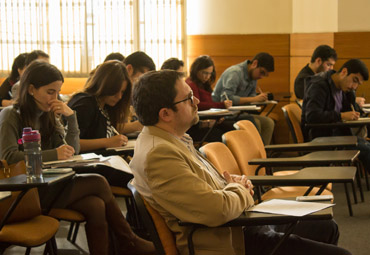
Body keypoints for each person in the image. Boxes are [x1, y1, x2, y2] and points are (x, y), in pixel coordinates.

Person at [129, 69, 350, 255]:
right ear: (166, 114)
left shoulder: (174, 139)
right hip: (231, 240)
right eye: (188, 98)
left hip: (238, 223)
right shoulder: (159, 155)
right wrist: (240, 188)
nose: (196, 101)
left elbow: (206, 193)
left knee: (326, 226)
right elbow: (217, 210)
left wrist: (229, 185)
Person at [0, 60, 154, 255]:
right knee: (98, 182)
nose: (55, 98)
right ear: (31, 90)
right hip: (24, 191)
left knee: (95, 205)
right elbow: (9, 157)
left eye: (57, 92)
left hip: (49, 182)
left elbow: (73, 149)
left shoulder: (47, 114)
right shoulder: (11, 115)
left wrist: (71, 118)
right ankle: (128, 240)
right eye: (50, 92)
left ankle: (121, 245)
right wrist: (52, 154)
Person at [68, 60, 133, 186]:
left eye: (123, 92)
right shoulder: (84, 103)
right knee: (141, 177)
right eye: (116, 91)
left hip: (101, 162)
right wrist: (108, 142)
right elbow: (72, 145)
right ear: (105, 86)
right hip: (84, 165)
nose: (119, 97)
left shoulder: (106, 105)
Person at [302, 58, 370, 173]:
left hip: (336, 134)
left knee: (367, 145)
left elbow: (348, 109)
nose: (354, 86)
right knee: (367, 150)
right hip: (321, 137)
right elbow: (312, 116)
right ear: (344, 72)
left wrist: (353, 106)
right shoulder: (319, 84)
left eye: (358, 84)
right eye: (354, 80)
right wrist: (341, 116)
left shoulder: (342, 88)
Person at [212, 52, 275, 145]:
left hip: (238, 113)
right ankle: (253, 156)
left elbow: (251, 96)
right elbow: (226, 99)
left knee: (268, 123)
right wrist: (254, 99)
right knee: (254, 123)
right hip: (222, 115)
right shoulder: (235, 73)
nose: (261, 77)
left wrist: (261, 98)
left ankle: (263, 154)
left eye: (265, 75)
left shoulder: (253, 77)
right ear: (254, 64)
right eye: (262, 72)